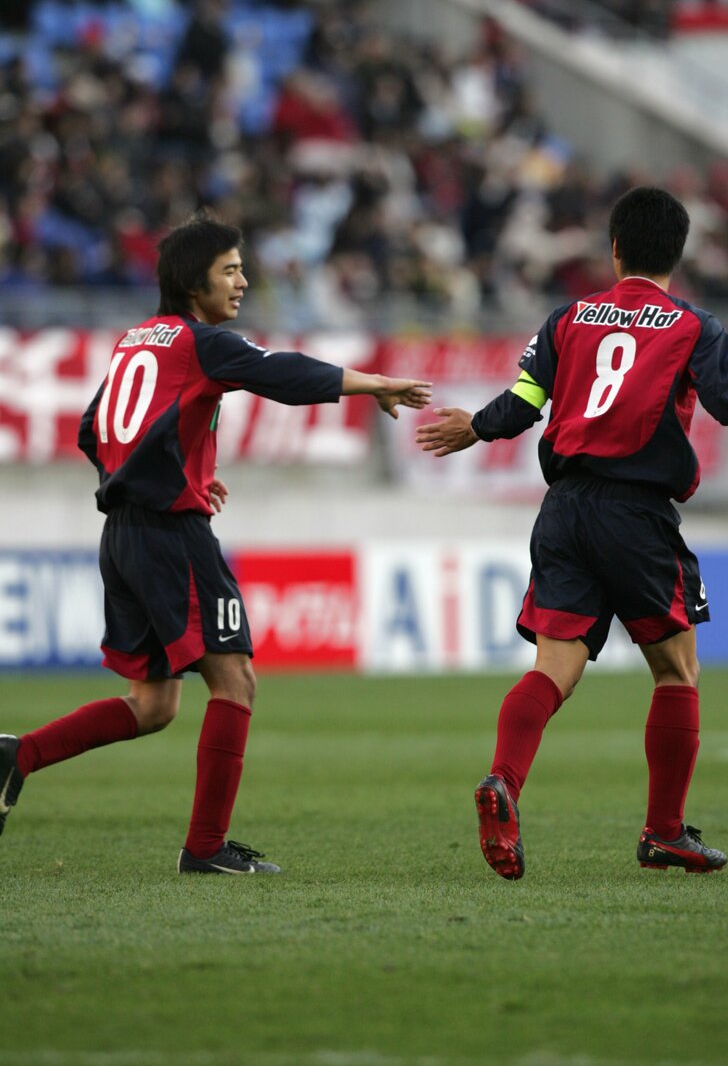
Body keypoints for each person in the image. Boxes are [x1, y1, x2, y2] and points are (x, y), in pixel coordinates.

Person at [0, 211, 431, 875]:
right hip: (172, 536)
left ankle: (17, 755)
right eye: (229, 269)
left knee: (154, 704)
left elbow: (94, 428)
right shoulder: (201, 341)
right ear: (191, 281)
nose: (242, 281)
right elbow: (279, 373)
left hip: (123, 533)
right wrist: (371, 381)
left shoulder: (137, 340)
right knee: (236, 678)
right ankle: (205, 848)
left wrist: (177, 467)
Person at [416, 185, 728, 879]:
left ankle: (503, 781)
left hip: (564, 508)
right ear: (678, 252)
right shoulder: (692, 326)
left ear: (613, 250)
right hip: (635, 514)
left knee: (553, 667)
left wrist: (473, 426)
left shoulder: (567, 318)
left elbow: (519, 405)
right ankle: (663, 832)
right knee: (676, 668)